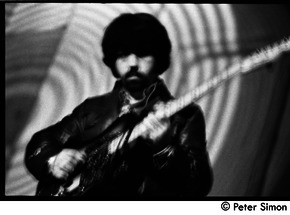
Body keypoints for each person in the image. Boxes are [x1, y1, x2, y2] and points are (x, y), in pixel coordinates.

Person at [25, 13, 213, 199]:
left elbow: (198, 187)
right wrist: (54, 161)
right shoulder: (93, 108)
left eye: (142, 53)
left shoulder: (185, 115)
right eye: (123, 55)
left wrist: (164, 149)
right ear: (113, 61)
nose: (132, 63)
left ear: (159, 57)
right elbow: (41, 142)